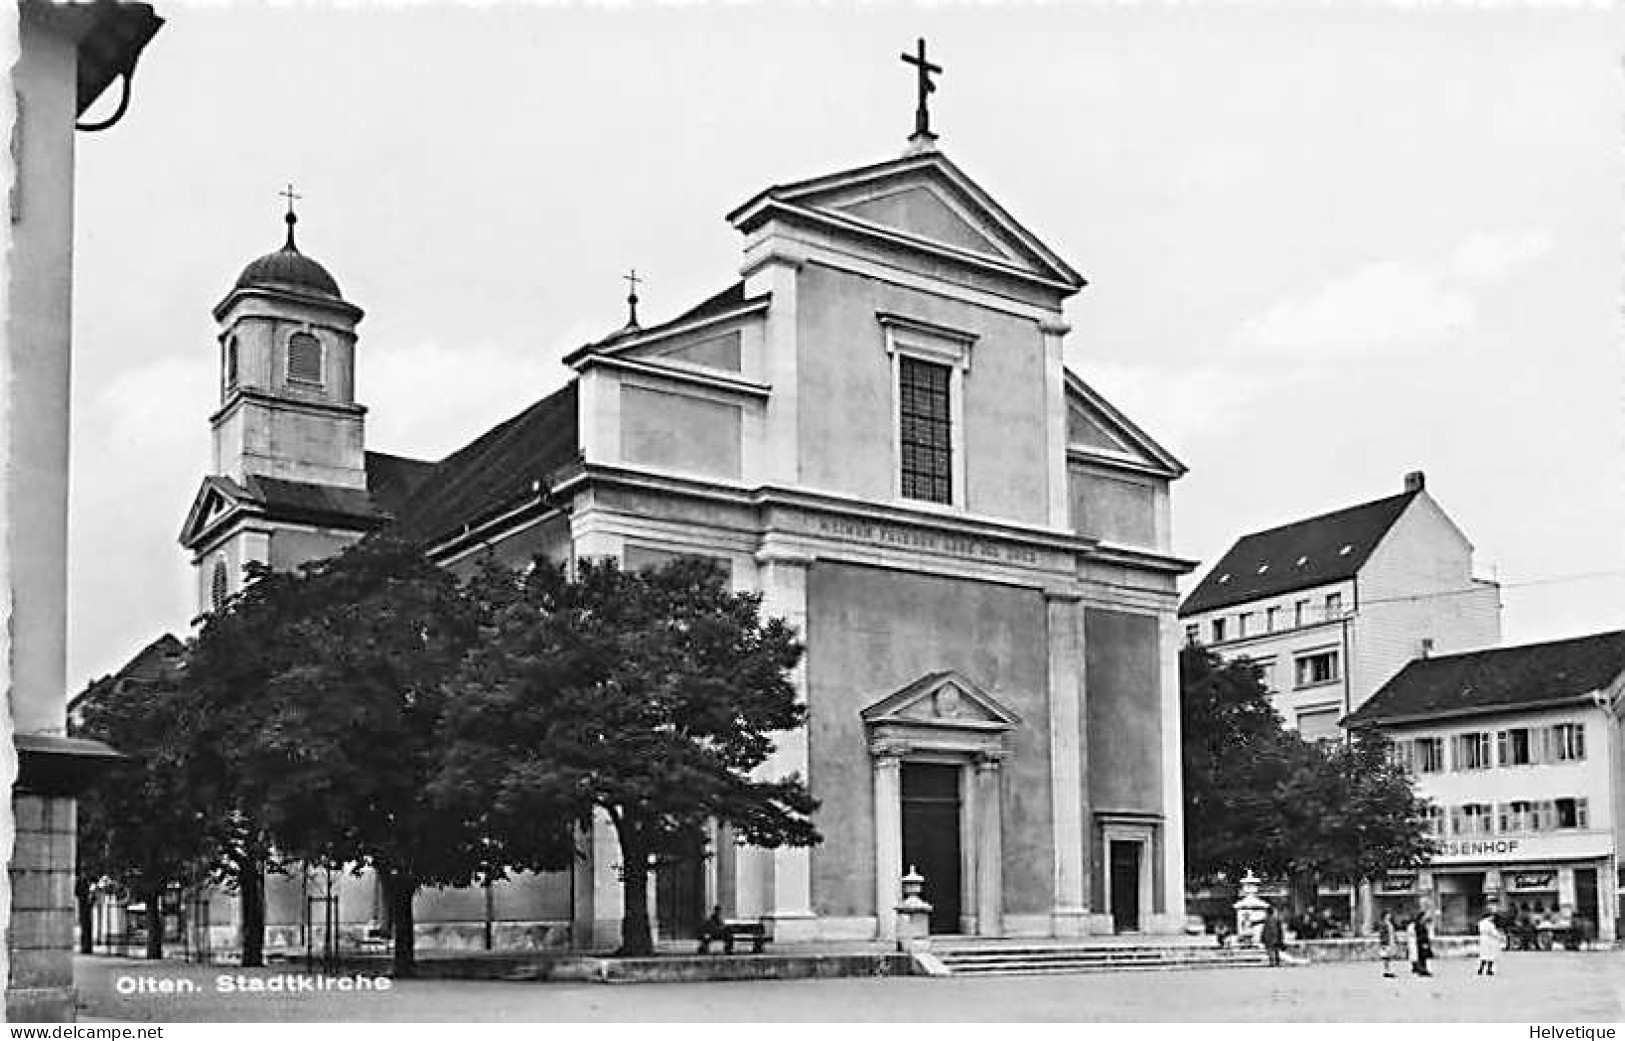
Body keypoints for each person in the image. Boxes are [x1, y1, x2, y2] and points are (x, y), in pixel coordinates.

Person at [1476, 910, 1503, 976]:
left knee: (1483, 955)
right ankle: (1489, 970)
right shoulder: (1490, 924)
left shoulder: (1480, 923)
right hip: (1490, 939)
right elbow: (1493, 932)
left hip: (1482, 938)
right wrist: (1500, 937)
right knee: (1491, 955)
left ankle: (1480, 970)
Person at [1411, 910, 1434, 977]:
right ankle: (1422, 970)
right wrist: (1424, 942)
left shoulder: (1422, 924)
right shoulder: (1419, 924)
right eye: (1425, 916)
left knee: (1424, 956)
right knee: (1422, 956)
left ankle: (1423, 969)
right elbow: (1420, 934)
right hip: (1422, 941)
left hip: (1423, 941)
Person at [1378, 911, 1398, 978]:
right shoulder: (1383, 924)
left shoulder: (1390, 923)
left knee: (1389, 957)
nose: (1389, 916)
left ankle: (1389, 971)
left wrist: (1395, 940)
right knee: (1386, 957)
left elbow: (1393, 933)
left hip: (1391, 941)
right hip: (1386, 942)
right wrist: (1383, 943)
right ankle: (1386, 971)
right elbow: (1382, 934)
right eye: (1388, 914)